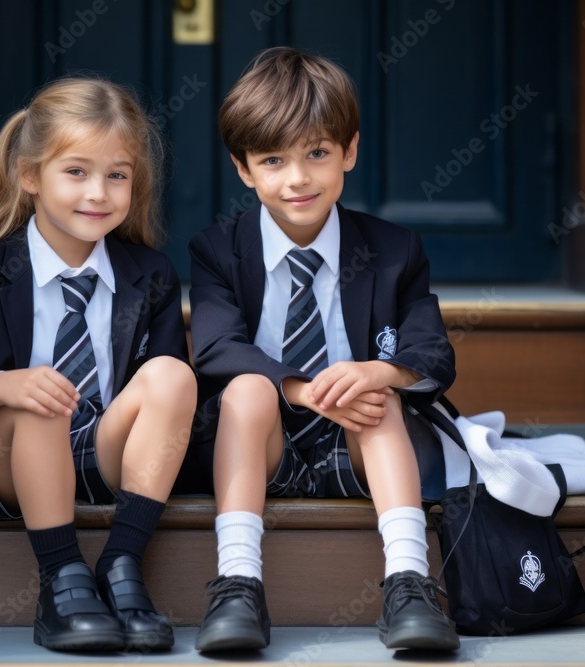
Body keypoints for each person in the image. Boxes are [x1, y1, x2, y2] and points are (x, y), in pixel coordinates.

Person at [188, 47, 460, 652]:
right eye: (273, 160)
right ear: (243, 169)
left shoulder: (394, 249)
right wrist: (304, 389)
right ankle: (237, 582)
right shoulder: (217, 250)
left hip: (358, 447)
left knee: (377, 393)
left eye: (317, 153)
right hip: (261, 443)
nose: (297, 179)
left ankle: (409, 580)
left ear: (350, 151)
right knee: (248, 386)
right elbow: (213, 348)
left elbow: (434, 353)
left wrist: (374, 370)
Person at [0, 77, 196, 653]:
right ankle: (62, 578)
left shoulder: (151, 275)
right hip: (11, 462)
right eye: (76, 171)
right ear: (29, 176)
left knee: (174, 373)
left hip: (108, 454)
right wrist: (3, 384)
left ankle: (121, 563)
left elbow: (164, 400)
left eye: (117, 175)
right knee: (44, 393)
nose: (98, 192)